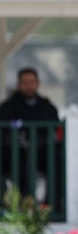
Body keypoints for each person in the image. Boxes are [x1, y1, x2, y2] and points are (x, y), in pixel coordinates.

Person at [0, 67, 60, 196]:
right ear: (19, 85)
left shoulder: (47, 107)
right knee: (18, 166)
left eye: (31, 82)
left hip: (42, 153)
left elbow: (55, 130)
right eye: (24, 83)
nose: (28, 86)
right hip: (14, 154)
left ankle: (52, 205)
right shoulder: (8, 107)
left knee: (57, 162)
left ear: (37, 84)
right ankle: (20, 205)